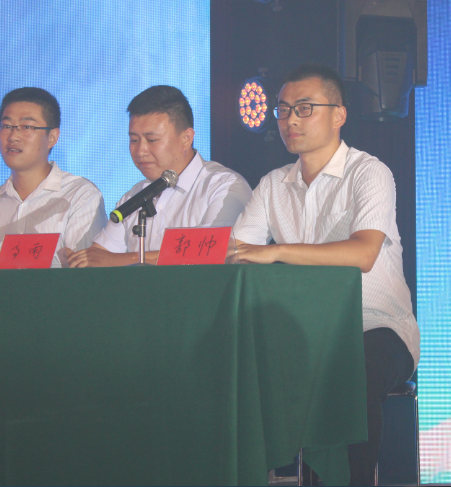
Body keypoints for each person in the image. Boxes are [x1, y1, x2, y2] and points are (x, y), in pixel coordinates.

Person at [229, 64, 420, 486]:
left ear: (339, 115)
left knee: (350, 371)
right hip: (302, 334)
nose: (290, 120)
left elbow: (363, 253)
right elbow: (236, 254)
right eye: (282, 110)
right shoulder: (273, 184)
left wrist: (277, 251)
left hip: (376, 328)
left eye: (304, 108)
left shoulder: (369, 172)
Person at [66, 85, 252, 267]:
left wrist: (124, 260)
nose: (140, 151)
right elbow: (98, 257)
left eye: (152, 140)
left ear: (186, 138)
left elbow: (213, 252)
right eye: (134, 140)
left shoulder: (224, 186)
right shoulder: (134, 196)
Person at [0, 87, 106, 268]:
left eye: (26, 127)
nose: (13, 136)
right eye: (6, 126)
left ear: (52, 137)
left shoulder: (79, 194)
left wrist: (6, 263)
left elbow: (83, 268)